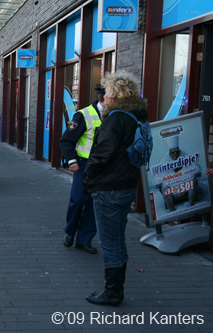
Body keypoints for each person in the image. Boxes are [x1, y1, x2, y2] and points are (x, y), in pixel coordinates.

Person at [83, 70, 148, 306]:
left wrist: (88, 178)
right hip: (127, 185)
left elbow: (102, 153)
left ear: (116, 94)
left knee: (110, 242)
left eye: (107, 92)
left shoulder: (116, 118)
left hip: (108, 187)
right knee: (117, 239)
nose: (104, 96)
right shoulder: (137, 116)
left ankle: (112, 293)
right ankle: (115, 290)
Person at [58, 87, 105, 255]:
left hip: (101, 168)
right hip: (83, 165)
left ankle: (84, 240)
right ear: (103, 99)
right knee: (77, 200)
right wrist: (72, 161)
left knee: (94, 204)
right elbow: (66, 140)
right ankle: (70, 232)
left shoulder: (114, 116)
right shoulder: (84, 115)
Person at [155, 136, 201, 211]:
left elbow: (197, 167)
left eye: (177, 151)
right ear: (169, 152)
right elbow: (157, 177)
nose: (175, 154)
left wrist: (194, 173)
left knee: (192, 183)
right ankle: (172, 211)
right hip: (172, 191)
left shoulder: (185, 156)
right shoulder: (164, 161)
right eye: (173, 152)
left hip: (185, 187)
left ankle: (192, 207)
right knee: (165, 191)